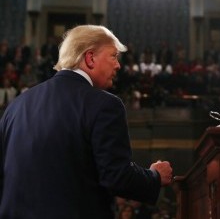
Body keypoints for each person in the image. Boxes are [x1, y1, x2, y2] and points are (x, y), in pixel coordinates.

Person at [0, 25, 173, 218]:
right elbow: (116, 177)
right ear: (90, 58)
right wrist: (155, 177)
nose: (118, 65)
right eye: (113, 56)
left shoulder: (15, 106)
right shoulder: (105, 105)